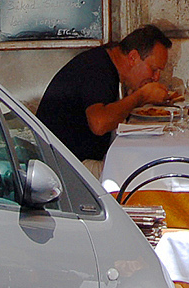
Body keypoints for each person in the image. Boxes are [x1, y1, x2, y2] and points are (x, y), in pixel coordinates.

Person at [36, 24, 175, 176]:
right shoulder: (98, 70)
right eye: (154, 69)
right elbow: (99, 123)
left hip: (68, 159)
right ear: (133, 57)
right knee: (146, 173)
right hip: (65, 166)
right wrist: (141, 96)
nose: (156, 78)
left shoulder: (104, 61)